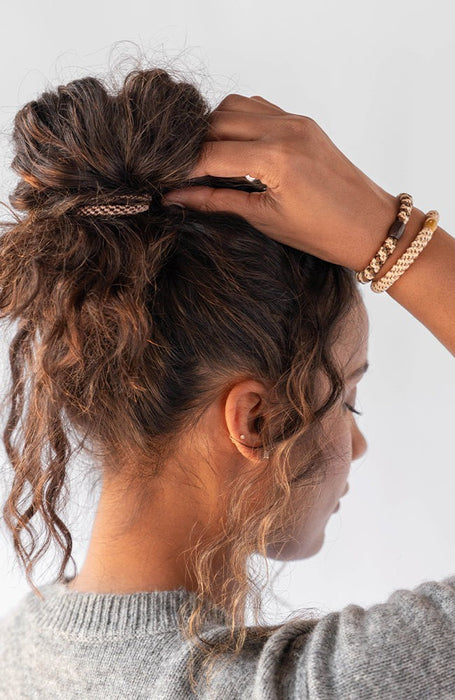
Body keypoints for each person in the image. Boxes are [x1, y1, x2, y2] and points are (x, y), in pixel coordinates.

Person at [0, 66, 453, 699]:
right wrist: (390, 236)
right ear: (255, 420)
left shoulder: (24, 646)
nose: (357, 446)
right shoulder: (321, 685)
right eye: (345, 400)